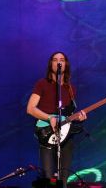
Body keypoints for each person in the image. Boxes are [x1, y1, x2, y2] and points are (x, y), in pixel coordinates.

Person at [27, 51, 87, 187]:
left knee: (63, 180)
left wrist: (79, 117)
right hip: (46, 133)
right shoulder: (42, 84)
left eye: (62, 59)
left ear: (66, 64)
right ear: (51, 64)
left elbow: (68, 114)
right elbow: (30, 109)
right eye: (55, 59)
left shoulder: (70, 88)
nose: (59, 62)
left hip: (65, 137)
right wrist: (50, 118)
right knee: (48, 179)